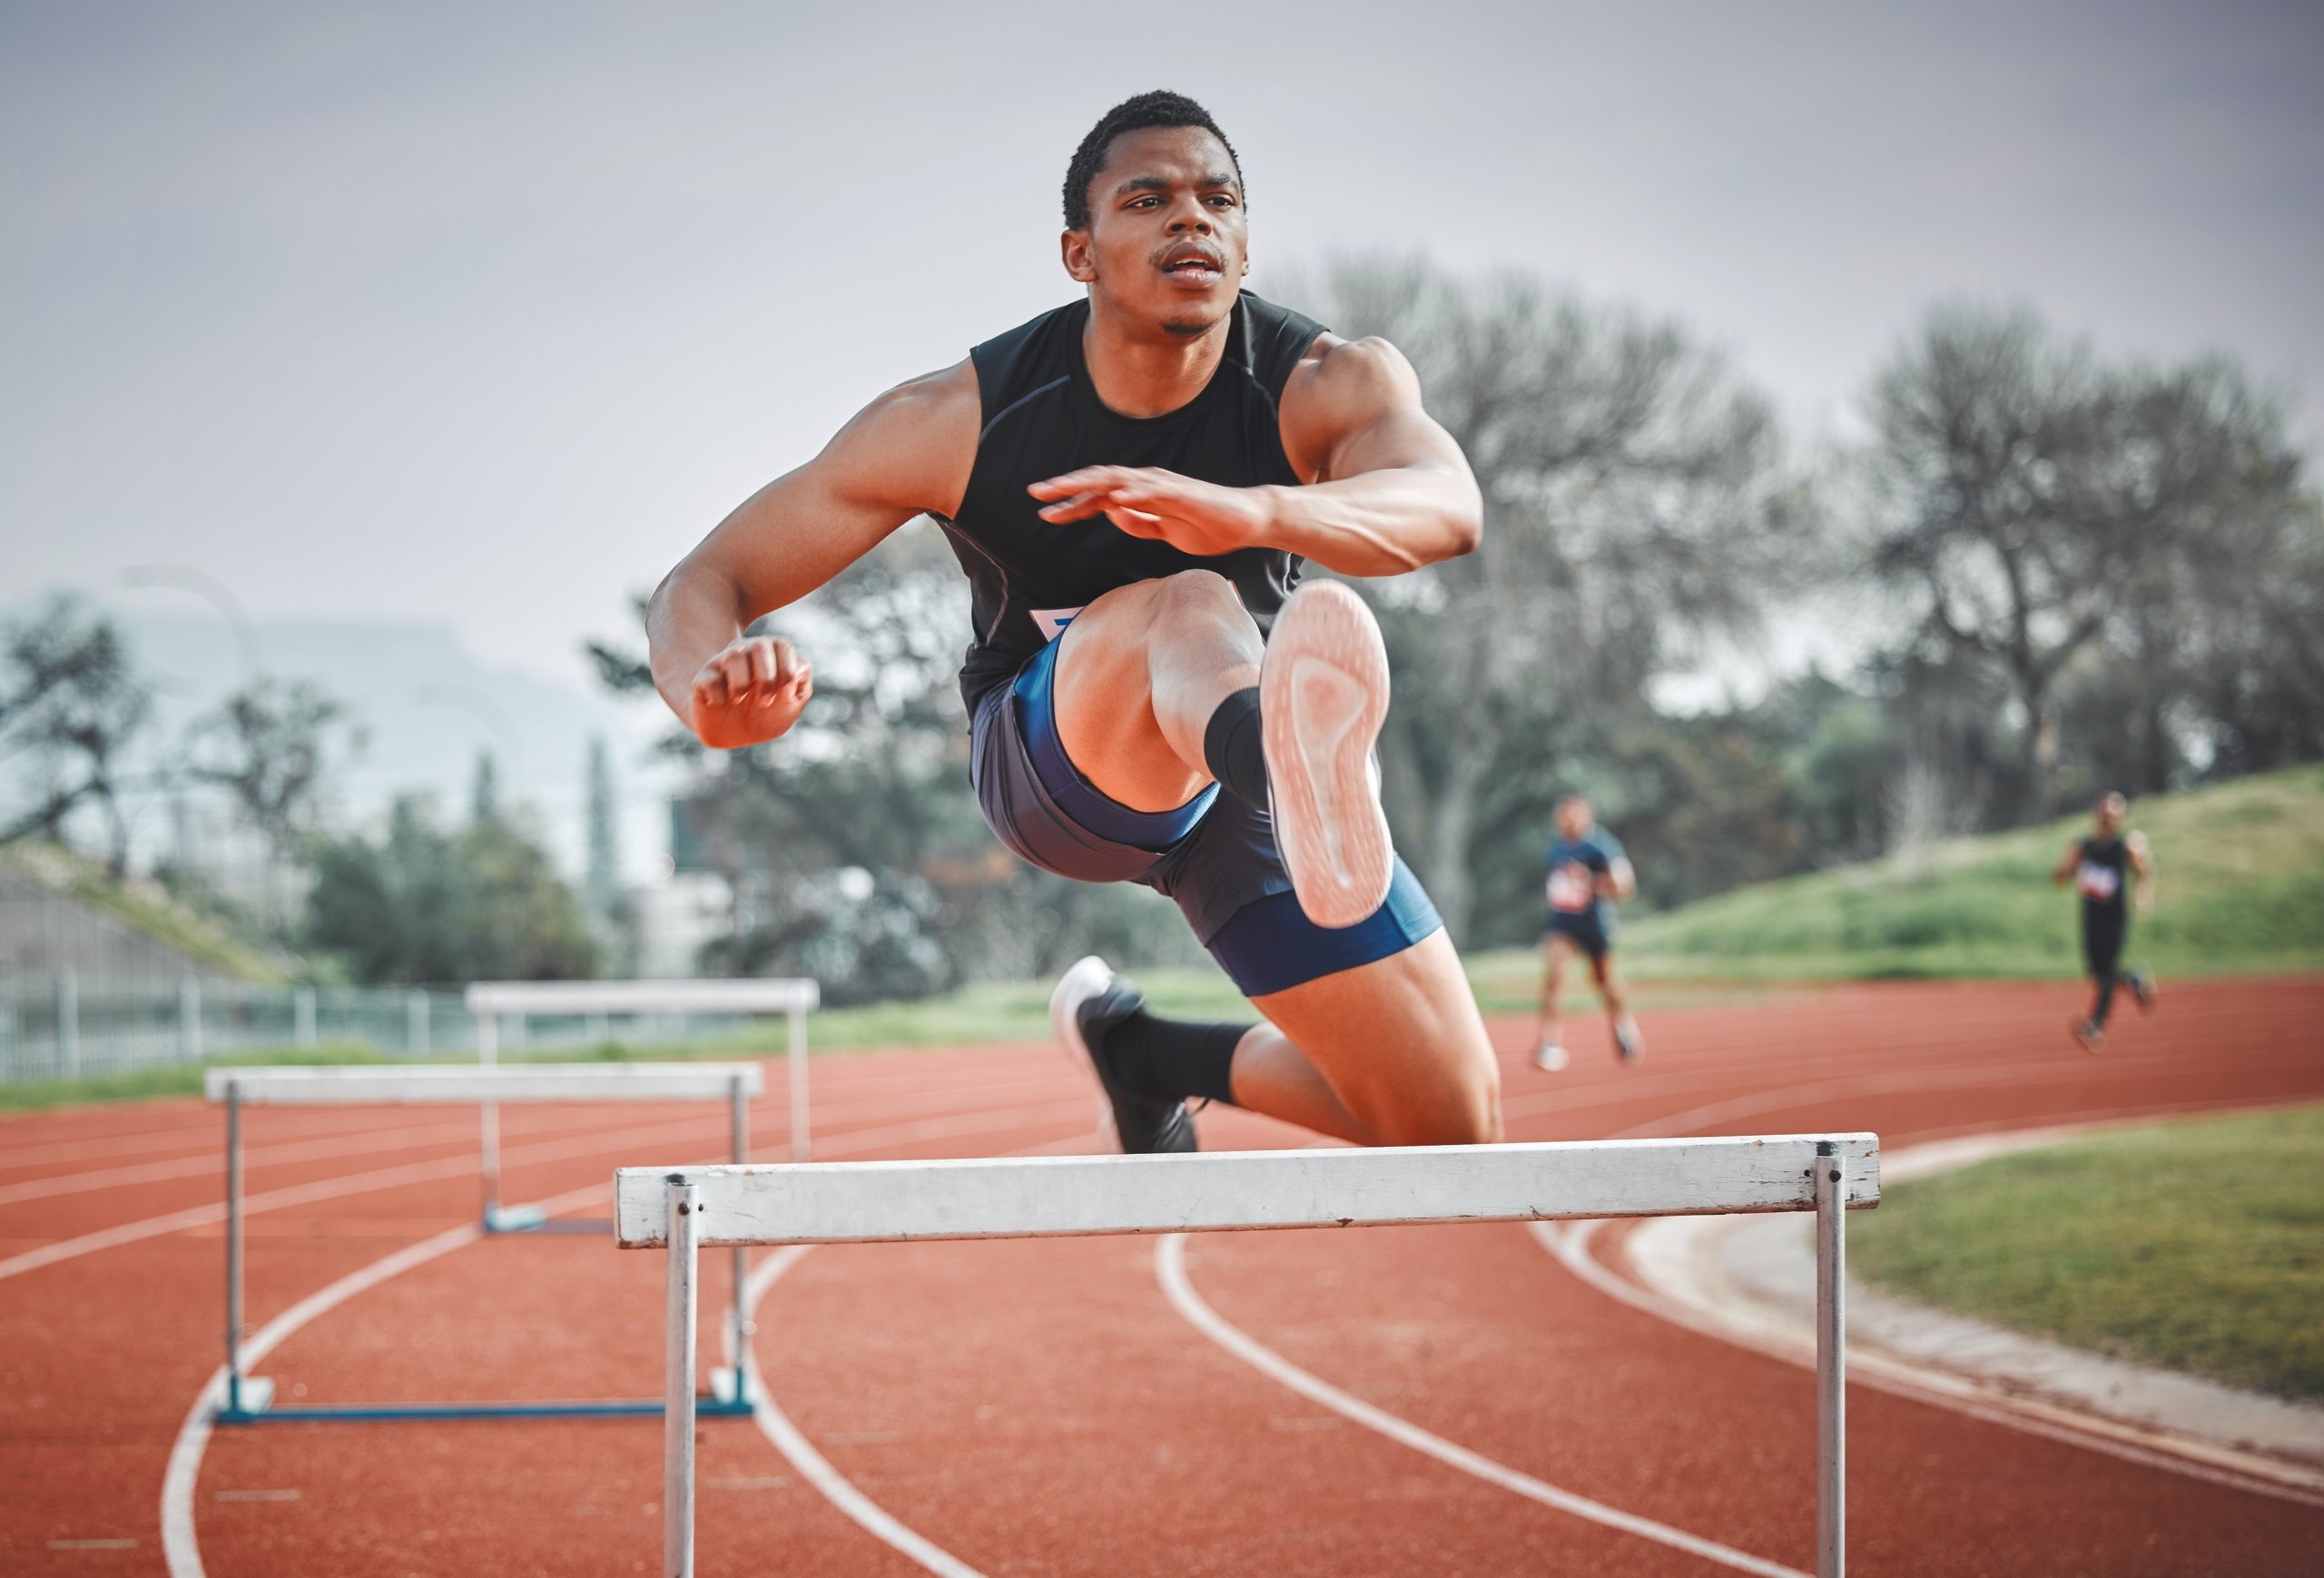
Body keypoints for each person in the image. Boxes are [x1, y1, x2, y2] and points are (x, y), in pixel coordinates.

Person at [646, 91, 1502, 1153]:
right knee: (1188, 599)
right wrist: (710, 698)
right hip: (1052, 762)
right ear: (1080, 253)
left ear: (1242, 241)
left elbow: (1446, 506)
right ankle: (1283, 764)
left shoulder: (1322, 381)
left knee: (1448, 1124)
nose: (1190, 219)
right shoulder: (960, 419)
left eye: (1216, 198)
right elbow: (705, 579)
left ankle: (1142, 1054)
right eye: (1147, 200)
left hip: (1228, 781)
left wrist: (1257, 510)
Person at [1531, 795, 1640, 1070]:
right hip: (1563, 924)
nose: (1566, 821)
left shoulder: (1601, 847)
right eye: (1562, 816)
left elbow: (1625, 887)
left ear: (1586, 816)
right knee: (1554, 976)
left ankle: (1623, 1023)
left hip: (1595, 924)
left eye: (1572, 815)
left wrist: (1589, 880)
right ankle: (1550, 1043)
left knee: (1603, 982)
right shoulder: (1556, 848)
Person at [2052, 791, 2156, 1051]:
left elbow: (2144, 872)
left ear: (2120, 818)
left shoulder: (2125, 847)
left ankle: (2096, 1026)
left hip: (2114, 918)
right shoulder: (2085, 847)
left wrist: (2142, 895)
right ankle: (2134, 980)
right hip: (2090, 917)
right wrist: (2067, 869)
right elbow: (2061, 876)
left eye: (2112, 815)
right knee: (2097, 973)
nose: (2106, 819)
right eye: (2103, 814)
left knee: (2107, 971)